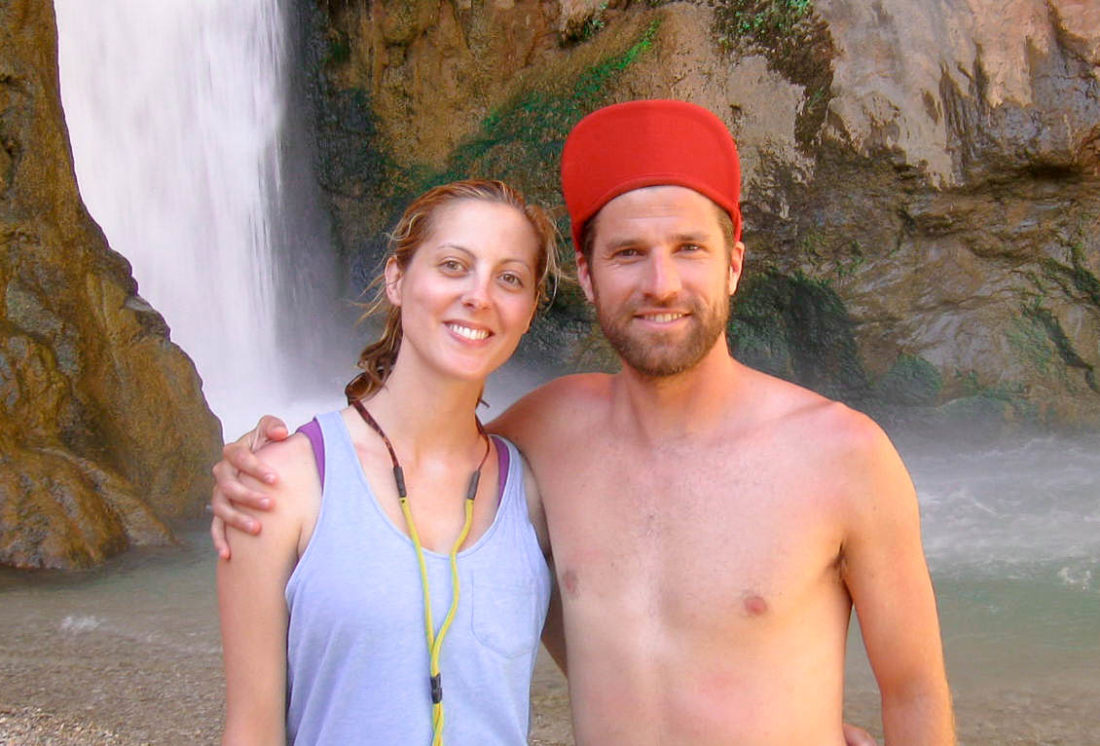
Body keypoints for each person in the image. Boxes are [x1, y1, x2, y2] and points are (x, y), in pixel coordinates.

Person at [213, 100, 953, 744]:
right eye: (629, 253)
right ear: (589, 275)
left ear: (733, 265)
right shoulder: (546, 439)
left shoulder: (842, 456)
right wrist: (255, 465)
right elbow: (410, 455)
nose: (661, 283)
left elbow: (915, 692)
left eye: (689, 249)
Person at [216, 179, 562, 745]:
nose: (480, 295)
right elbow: (251, 731)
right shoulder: (280, 483)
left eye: (509, 278)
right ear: (397, 279)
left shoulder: (535, 494)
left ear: (526, 313)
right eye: (453, 265)